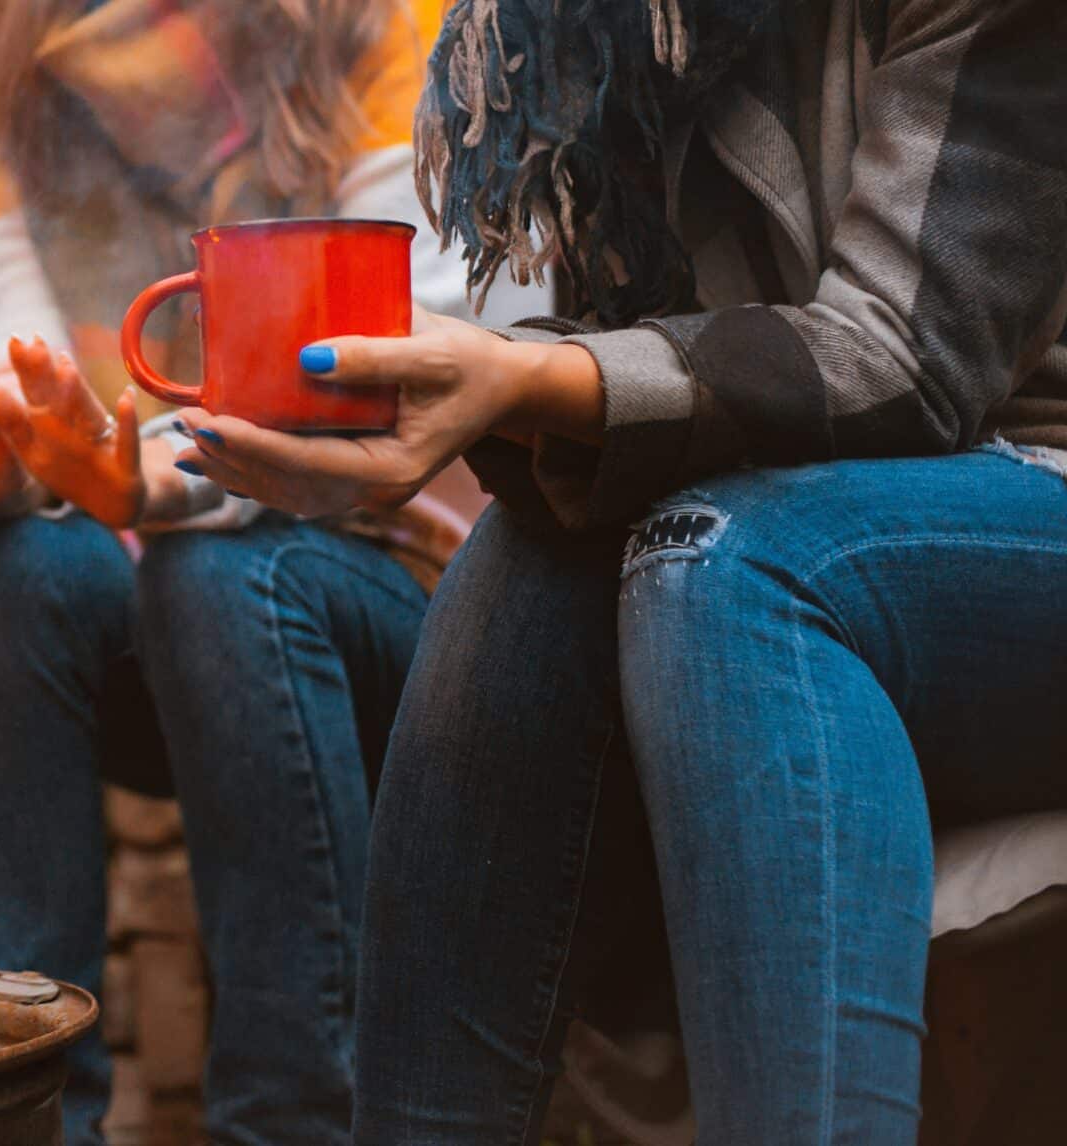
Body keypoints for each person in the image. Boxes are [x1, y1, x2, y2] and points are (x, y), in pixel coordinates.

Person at [172, 0, 1067, 1141]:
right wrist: (460, 402)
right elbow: (656, 363)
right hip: (797, 512)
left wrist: (521, 380)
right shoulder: (615, 36)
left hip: (1024, 494)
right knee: (537, 557)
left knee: (730, 563)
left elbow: (904, 353)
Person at [0, 1, 538, 1140]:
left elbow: (408, 373)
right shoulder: (33, 104)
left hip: (423, 608)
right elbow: (40, 394)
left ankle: (297, 1123)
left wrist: (147, 486)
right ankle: (11, 1116)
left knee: (222, 575)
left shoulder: (393, 36)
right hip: (184, 616)